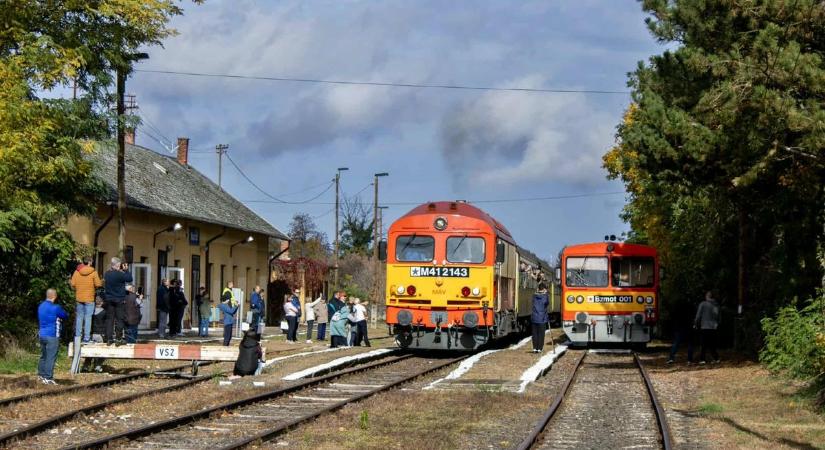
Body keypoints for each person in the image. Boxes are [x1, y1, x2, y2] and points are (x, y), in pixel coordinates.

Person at [37, 288, 68, 385]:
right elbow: (65, 315)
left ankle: (41, 375)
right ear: (54, 296)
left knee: (44, 356)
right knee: (51, 357)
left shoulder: (41, 306)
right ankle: (48, 378)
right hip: (52, 335)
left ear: (47, 295)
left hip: (42, 334)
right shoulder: (56, 307)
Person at [70, 257, 102, 343]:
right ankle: (86, 338)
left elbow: (72, 283)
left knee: (79, 317)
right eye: (91, 261)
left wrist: (79, 288)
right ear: (89, 262)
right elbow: (98, 284)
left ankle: (77, 337)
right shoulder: (93, 272)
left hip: (79, 297)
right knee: (88, 317)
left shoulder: (77, 271)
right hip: (89, 298)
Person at [103, 257, 132, 345]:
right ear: (118, 265)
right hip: (119, 299)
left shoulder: (107, 274)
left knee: (109, 319)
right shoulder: (120, 274)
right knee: (120, 319)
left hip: (109, 299)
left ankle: (109, 339)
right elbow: (130, 279)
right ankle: (118, 339)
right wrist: (126, 270)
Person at [694, 290, 721, 364]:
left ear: (707, 296)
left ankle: (703, 359)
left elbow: (698, 315)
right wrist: (717, 324)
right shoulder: (716, 305)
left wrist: (696, 323)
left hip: (705, 326)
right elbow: (718, 316)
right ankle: (716, 358)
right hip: (713, 326)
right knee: (712, 344)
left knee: (703, 344)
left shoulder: (703, 304)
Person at [667, 299, 697, 364]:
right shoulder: (691, 306)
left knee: (676, 343)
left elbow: (672, 316)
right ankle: (689, 359)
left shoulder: (677, 306)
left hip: (679, 327)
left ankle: (671, 358)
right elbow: (694, 316)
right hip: (689, 326)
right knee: (690, 344)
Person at [531, 283, 550, 353]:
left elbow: (533, 302)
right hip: (542, 318)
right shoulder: (545, 296)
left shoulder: (534, 295)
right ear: (544, 289)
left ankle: (534, 348)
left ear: (538, 288)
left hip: (534, 318)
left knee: (534, 334)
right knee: (541, 334)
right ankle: (539, 348)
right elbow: (547, 303)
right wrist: (545, 293)